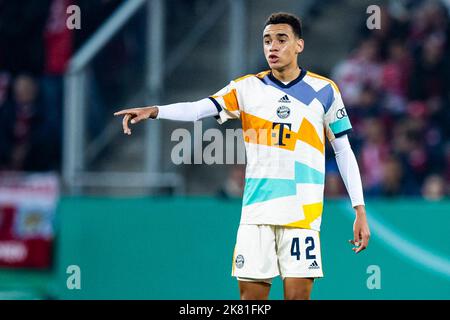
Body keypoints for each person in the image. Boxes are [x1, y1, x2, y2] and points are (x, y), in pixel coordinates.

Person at [114, 12, 370, 300]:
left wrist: (359, 209)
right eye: (267, 41)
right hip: (257, 214)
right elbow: (200, 109)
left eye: (281, 39)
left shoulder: (325, 91)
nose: (272, 46)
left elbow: (343, 150)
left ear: (299, 45)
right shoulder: (247, 88)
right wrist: (156, 111)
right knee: (250, 302)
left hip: (302, 216)